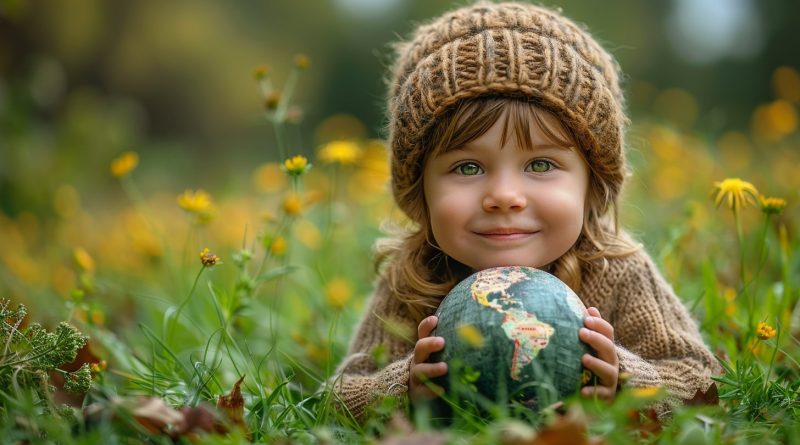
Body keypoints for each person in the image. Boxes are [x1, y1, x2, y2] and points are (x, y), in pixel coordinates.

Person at [331, 1, 720, 422]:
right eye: (468, 167)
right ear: (419, 188)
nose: (504, 196)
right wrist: (401, 387)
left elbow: (699, 379)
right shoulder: (413, 277)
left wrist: (625, 381)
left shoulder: (617, 270)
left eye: (540, 165)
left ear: (592, 183)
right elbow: (340, 396)